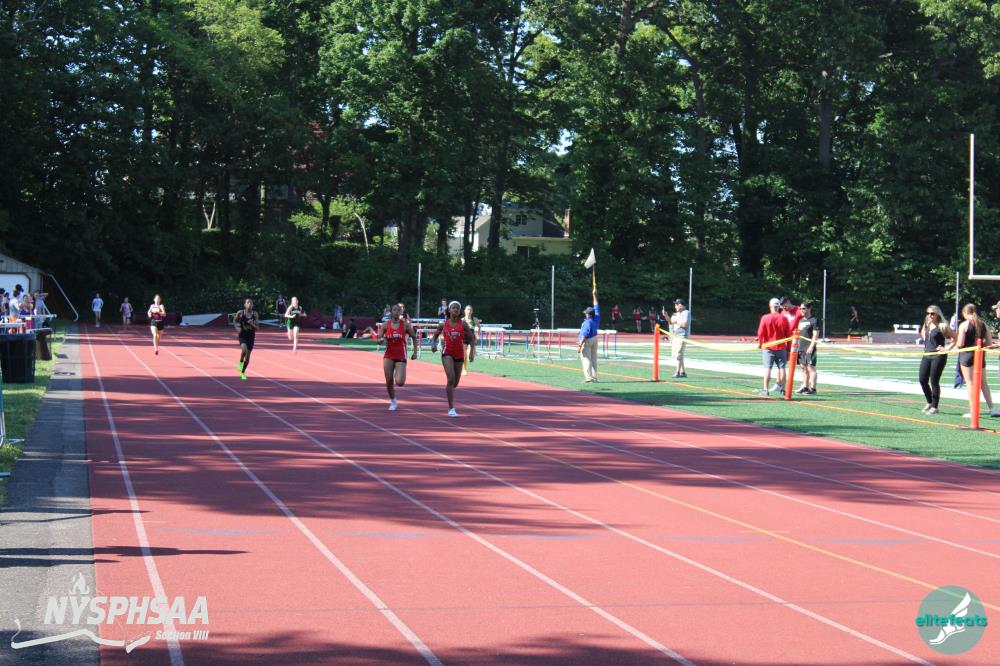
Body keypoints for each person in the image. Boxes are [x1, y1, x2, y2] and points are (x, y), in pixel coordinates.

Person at [430, 301, 476, 416]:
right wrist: (433, 344)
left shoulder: (463, 324)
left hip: (459, 354)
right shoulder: (443, 324)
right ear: (449, 310)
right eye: (453, 308)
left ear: (459, 311)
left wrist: (472, 352)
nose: (455, 309)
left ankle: (449, 389)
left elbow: (471, 339)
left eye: (457, 308)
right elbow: (435, 336)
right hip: (447, 353)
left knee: (455, 383)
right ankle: (451, 408)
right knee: (450, 379)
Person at [954, 303, 1000, 418]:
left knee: (970, 383)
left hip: (967, 356)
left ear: (965, 313)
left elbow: (960, 344)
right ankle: (992, 409)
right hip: (980, 355)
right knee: (984, 383)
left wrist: (955, 344)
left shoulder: (964, 325)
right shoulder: (983, 324)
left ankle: (973, 410)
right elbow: (989, 343)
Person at [378, 304, 418, 411]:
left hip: (400, 354)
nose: (396, 312)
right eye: (394, 310)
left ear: (401, 312)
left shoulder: (405, 325)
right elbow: (379, 338)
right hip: (389, 355)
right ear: (391, 312)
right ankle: (393, 401)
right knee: (388, 381)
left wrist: (415, 352)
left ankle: (398, 370)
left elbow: (414, 337)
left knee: (400, 382)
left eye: (398, 310)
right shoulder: (385, 325)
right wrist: (380, 340)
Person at [917, 305, 955, 414]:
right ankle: (929, 402)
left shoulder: (943, 326)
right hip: (927, 354)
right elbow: (923, 331)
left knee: (934, 381)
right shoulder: (927, 322)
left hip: (938, 356)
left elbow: (955, 338)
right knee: (922, 379)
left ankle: (935, 406)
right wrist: (925, 339)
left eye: (932, 313)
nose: (930, 315)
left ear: (937, 314)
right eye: (928, 313)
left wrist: (947, 348)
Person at [755, 297, 792, 396]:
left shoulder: (765, 317)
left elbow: (760, 332)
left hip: (769, 347)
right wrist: (789, 348)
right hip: (781, 347)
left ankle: (765, 389)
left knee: (768, 368)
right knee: (782, 368)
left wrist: (760, 343)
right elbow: (789, 335)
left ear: (770, 306)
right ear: (779, 307)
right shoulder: (783, 318)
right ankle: (783, 389)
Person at [577, 288, 601, 383]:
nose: (585, 314)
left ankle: (589, 377)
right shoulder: (596, 317)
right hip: (595, 338)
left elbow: (585, 335)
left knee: (586, 358)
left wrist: (580, 345)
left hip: (587, 340)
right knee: (594, 359)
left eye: (586, 313)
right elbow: (596, 305)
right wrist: (594, 295)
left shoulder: (588, 322)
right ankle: (594, 377)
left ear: (588, 314)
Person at [795, 303, 820, 395]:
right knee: (803, 368)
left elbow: (815, 335)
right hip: (800, 347)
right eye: (800, 308)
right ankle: (805, 386)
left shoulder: (814, 320)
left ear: (809, 309)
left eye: (804, 308)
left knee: (810, 367)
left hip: (809, 348)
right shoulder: (800, 321)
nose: (801, 310)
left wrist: (811, 347)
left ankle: (813, 388)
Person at [663, 298, 689, 378]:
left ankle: (677, 372)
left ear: (681, 305)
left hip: (682, 336)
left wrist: (676, 320)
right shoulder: (676, 314)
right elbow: (671, 321)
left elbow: (684, 325)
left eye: (677, 305)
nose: (675, 306)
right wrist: (666, 315)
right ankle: (683, 372)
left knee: (678, 354)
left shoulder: (686, 312)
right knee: (676, 355)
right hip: (675, 336)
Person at [234, 299, 259, 380]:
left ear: (253, 305)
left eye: (251, 303)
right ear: (244, 304)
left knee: (247, 358)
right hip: (242, 335)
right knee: (244, 350)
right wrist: (238, 328)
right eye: (248, 302)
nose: (250, 304)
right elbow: (235, 320)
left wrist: (252, 324)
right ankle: (240, 362)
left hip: (251, 336)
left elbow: (257, 328)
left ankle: (243, 372)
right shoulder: (240, 313)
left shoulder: (255, 314)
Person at [461, 304, 482, 376]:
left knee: (471, 357)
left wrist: (478, 334)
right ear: (465, 311)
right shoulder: (462, 320)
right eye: (468, 309)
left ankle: (471, 356)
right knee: (464, 355)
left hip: (471, 338)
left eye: (470, 310)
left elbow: (479, 327)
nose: (469, 311)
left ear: (472, 311)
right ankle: (464, 369)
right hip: (464, 338)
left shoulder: (474, 319)